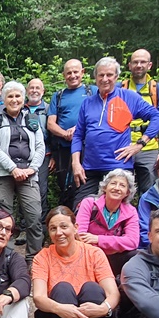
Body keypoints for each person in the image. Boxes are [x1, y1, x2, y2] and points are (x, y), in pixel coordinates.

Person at [71, 56, 159, 209]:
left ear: (116, 77)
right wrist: (76, 163)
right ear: (95, 77)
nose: (105, 79)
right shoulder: (87, 103)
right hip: (90, 168)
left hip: (118, 166)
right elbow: (78, 135)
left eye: (109, 75)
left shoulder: (128, 97)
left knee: (115, 210)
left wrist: (140, 144)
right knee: (81, 208)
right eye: (101, 75)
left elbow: (158, 117)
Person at [0, 81, 45, 264]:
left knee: (34, 216)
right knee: (3, 219)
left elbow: (40, 146)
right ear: (4, 99)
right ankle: (5, 260)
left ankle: (33, 261)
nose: (14, 99)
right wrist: (12, 168)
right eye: (10, 96)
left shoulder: (32, 119)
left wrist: (32, 168)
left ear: (23, 98)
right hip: (2, 174)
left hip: (28, 173)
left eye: (17, 96)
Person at [120, 48, 159, 194]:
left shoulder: (157, 89)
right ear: (129, 65)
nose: (139, 65)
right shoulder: (120, 87)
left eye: (143, 62)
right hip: (123, 146)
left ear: (149, 65)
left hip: (149, 147)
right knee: (120, 187)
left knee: (150, 190)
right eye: (135, 62)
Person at [75, 168, 140, 277]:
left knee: (134, 255)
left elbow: (132, 241)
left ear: (127, 193)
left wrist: (98, 239)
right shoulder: (89, 203)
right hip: (90, 256)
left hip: (115, 258)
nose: (117, 188)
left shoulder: (131, 211)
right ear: (105, 187)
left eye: (122, 185)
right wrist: (115, 246)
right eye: (113, 183)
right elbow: (80, 235)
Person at [47, 59, 89, 208]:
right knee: (66, 187)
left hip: (88, 148)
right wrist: (65, 134)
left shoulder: (92, 92)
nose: (72, 75)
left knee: (86, 185)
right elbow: (50, 123)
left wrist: (78, 129)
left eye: (75, 72)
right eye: (69, 73)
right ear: (64, 75)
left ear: (82, 72)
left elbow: (98, 116)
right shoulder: (58, 96)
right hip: (64, 149)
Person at [25, 77, 50, 207]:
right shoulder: (20, 108)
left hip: (44, 155)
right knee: (24, 188)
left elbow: (52, 133)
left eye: (37, 88)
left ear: (43, 91)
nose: (34, 90)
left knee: (41, 188)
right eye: (31, 88)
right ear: (26, 90)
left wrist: (53, 155)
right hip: (23, 154)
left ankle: (41, 218)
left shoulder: (48, 109)